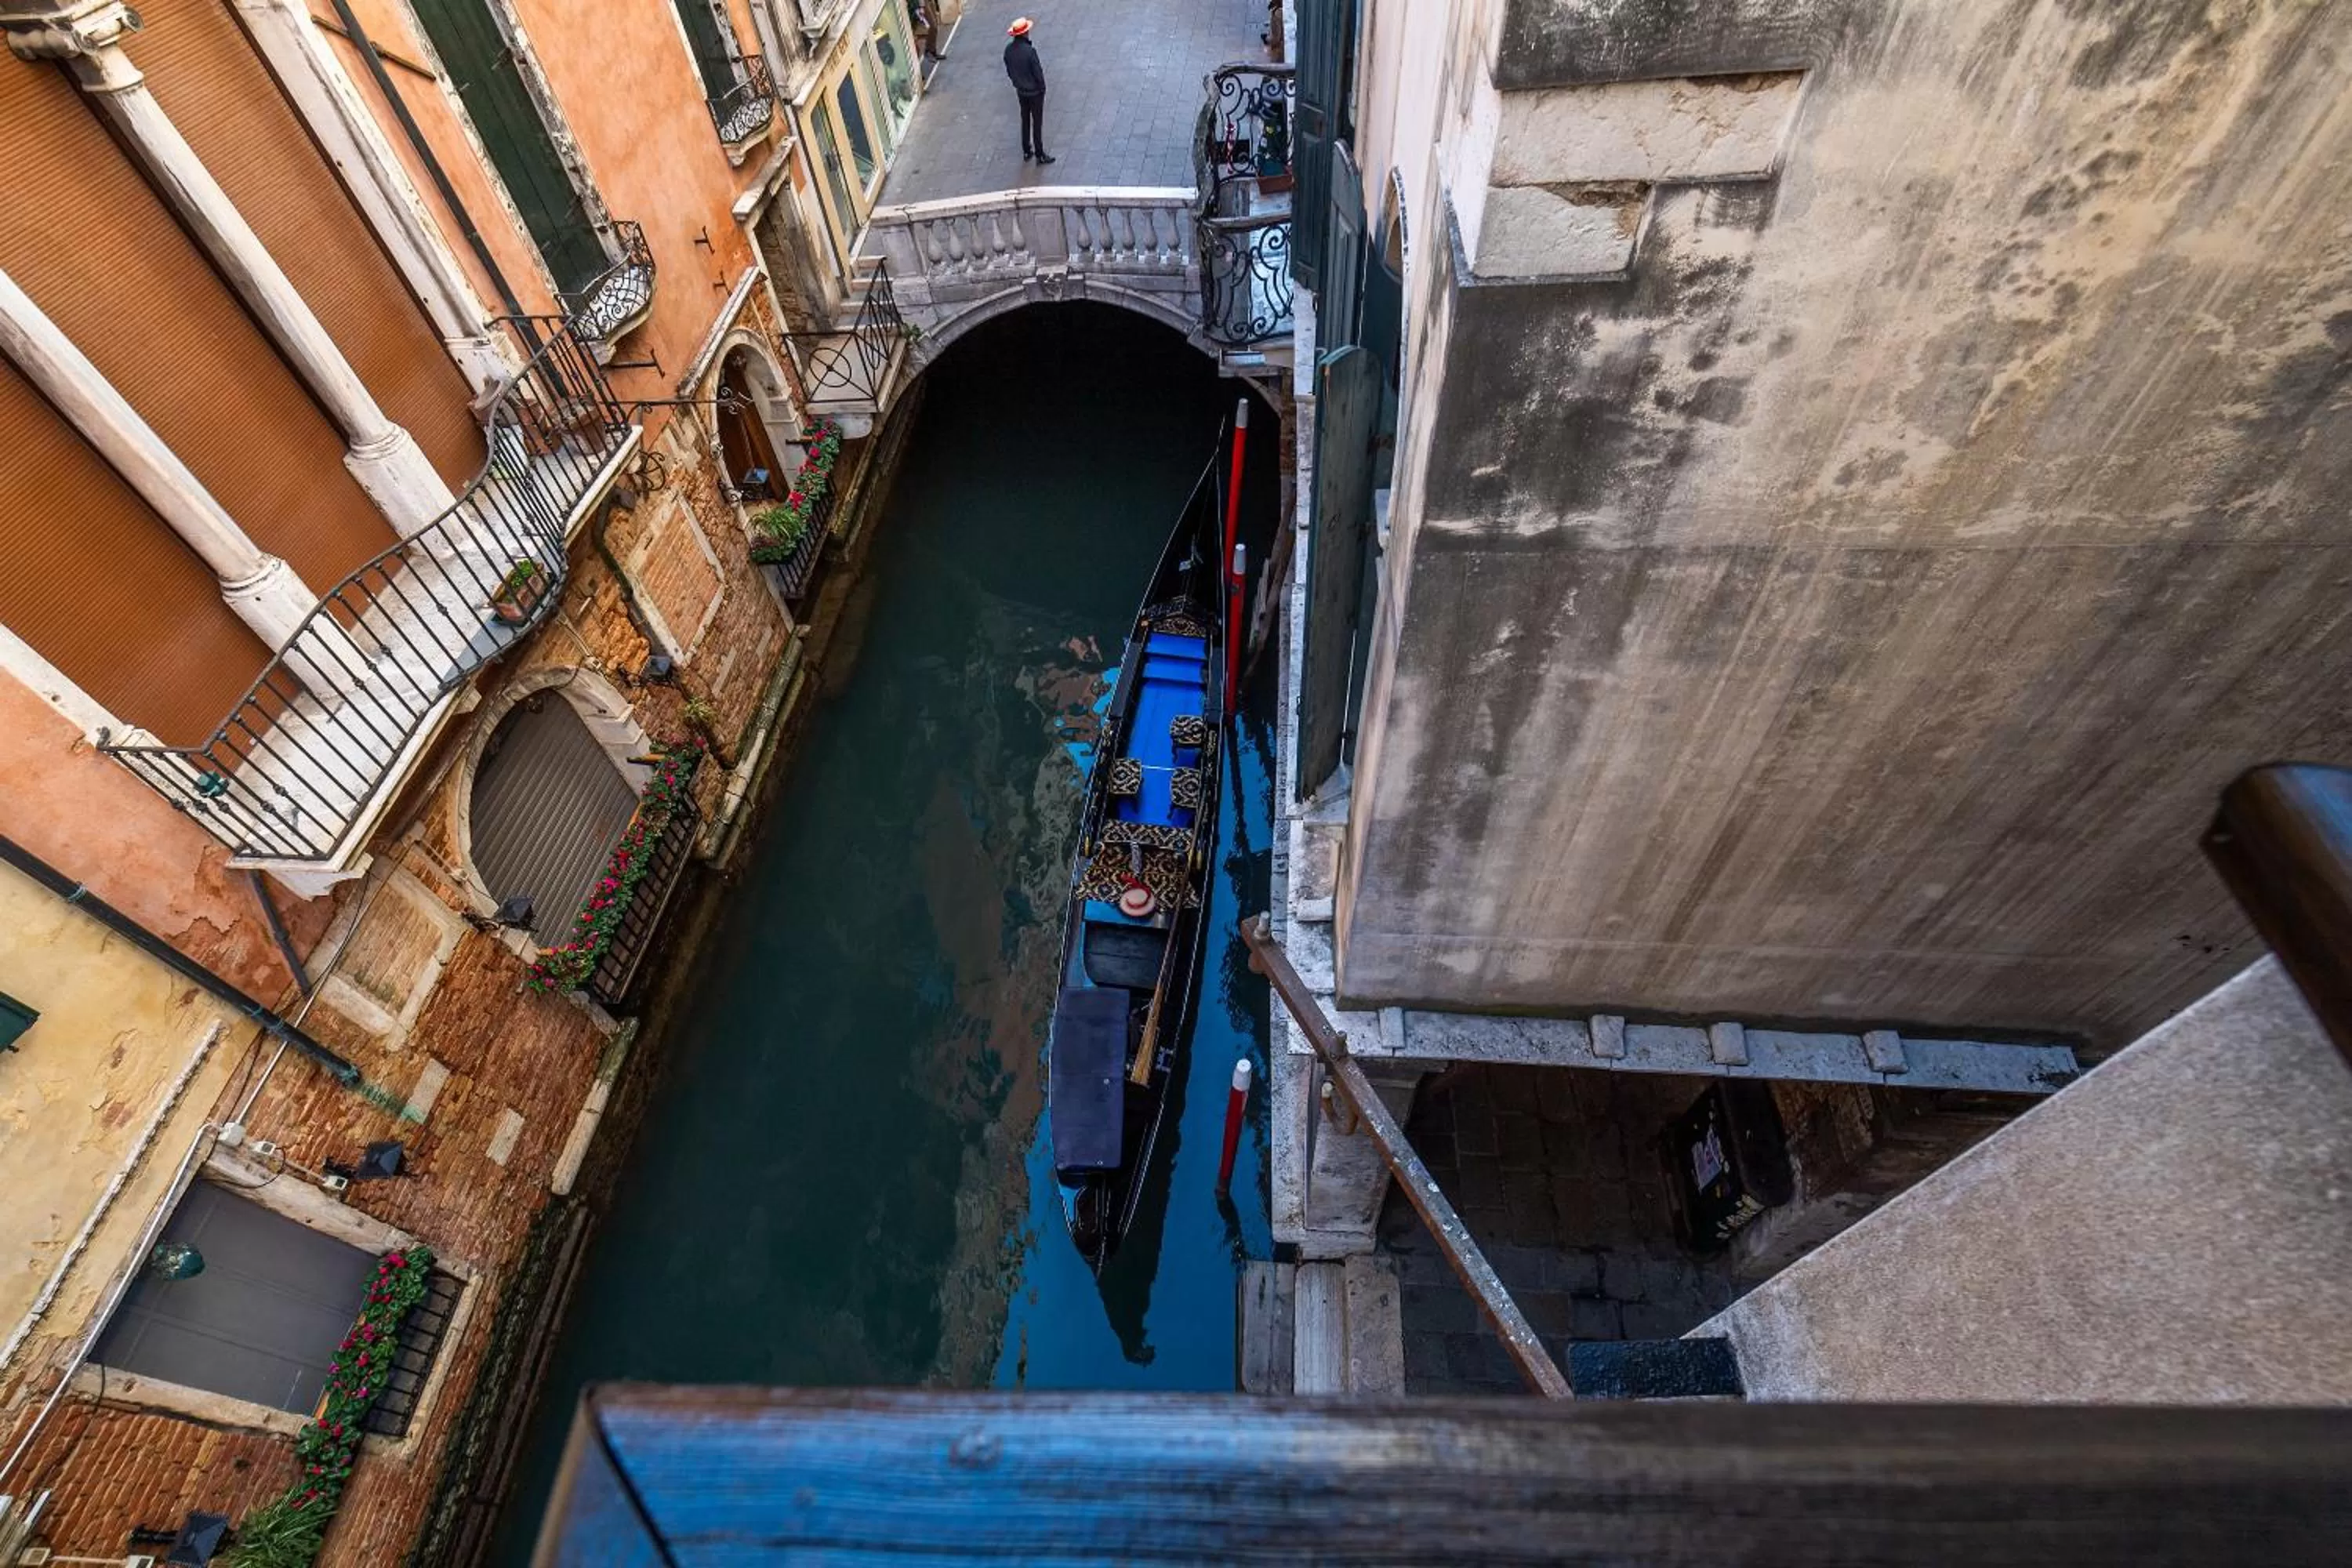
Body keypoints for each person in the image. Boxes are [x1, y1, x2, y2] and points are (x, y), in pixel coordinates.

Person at [1003, 17, 1053, 165]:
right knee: (1037, 123)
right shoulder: (1030, 52)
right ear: (1025, 33)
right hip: (1035, 93)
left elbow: (1009, 71)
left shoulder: (1008, 51)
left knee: (1025, 119)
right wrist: (1042, 89)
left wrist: (1017, 83)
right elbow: (1038, 73)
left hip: (1021, 91)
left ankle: (1026, 150)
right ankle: (1040, 153)